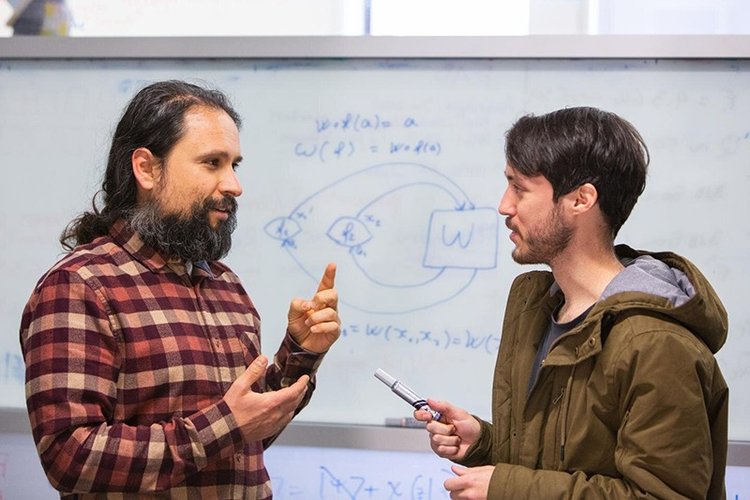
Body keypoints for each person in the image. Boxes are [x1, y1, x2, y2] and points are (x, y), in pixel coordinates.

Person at [20, 80, 341, 499]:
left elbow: (245, 443)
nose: (233, 185)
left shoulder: (225, 286)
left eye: (234, 165)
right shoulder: (81, 287)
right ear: (147, 169)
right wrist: (226, 424)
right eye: (212, 163)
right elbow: (69, 457)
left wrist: (301, 352)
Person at [415, 106, 728, 499]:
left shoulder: (655, 343)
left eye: (520, 188)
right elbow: (555, 462)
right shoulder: (535, 308)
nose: (504, 206)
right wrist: (483, 444)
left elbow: (664, 495)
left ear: (581, 200)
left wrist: (508, 488)